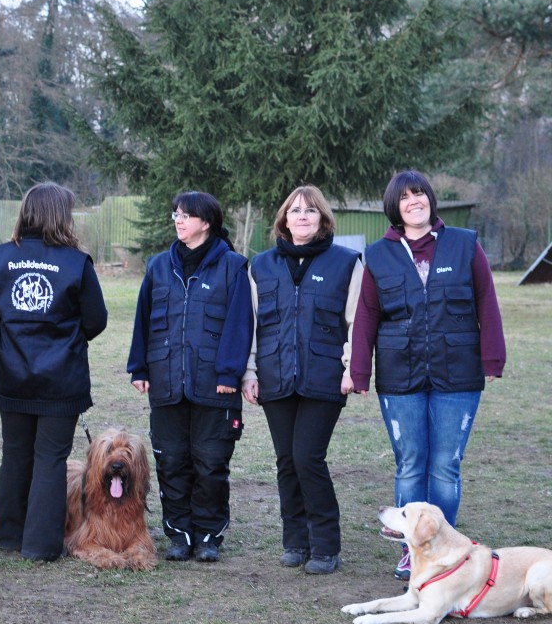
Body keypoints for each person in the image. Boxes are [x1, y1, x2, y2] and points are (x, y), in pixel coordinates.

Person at [351, 169, 505, 581]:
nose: (414, 202)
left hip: (458, 374)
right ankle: (411, 551)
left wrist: (493, 358)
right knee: (411, 463)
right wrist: (360, 371)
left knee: (445, 465)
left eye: (420, 195)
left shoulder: (464, 244)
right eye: (405, 198)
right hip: (400, 377)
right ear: (394, 207)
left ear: (430, 200)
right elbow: (366, 315)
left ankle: (445, 547)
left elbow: (487, 301)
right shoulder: (377, 254)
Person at [240, 186, 363, 575]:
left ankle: (326, 546)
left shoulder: (347, 263)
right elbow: (251, 325)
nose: (303, 216)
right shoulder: (260, 265)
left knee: (308, 457)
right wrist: (249, 371)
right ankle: (295, 541)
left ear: (323, 218)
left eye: (311, 210)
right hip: (275, 376)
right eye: (295, 211)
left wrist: (351, 368)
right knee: (285, 461)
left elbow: (356, 322)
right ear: (284, 219)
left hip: (325, 377)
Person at [0, 182, 108, 561]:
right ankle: (39, 546)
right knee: (50, 459)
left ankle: (7, 534)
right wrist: (62, 337)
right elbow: (96, 320)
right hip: (61, 380)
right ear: (61, 216)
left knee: (16, 455)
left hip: (14, 375)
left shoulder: (0, 257)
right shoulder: (75, 262)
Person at [127, 191, 252, 563]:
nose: (178, 220)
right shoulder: (158, 267)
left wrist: (230, 372)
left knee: (211, 463)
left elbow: (240, 323)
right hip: (166, 381)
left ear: (206, 222)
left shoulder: (232, 266)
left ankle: (209, 536)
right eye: (176, 214)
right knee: (172, 461)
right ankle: (179, 535)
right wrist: (140, 367)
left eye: (186, 215)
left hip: (215, 384)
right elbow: (143, 319)